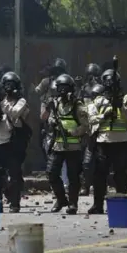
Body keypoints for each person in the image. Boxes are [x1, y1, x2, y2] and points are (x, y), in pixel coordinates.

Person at [87, 69, 127, 214]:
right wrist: (105, 115)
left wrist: (121, 105)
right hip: (103, 141)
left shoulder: (126, 98)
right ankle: (98, 204)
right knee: (99, 174)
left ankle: (121, 204)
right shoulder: (98, 99)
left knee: (120, 174)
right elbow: (90, 118)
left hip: (121, 141)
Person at [42, 74, 88, 214]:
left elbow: (85, 125)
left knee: (73, 176)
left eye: (65, 88)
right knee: (51, 173)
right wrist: (52, 122)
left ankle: (72, 204)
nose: (62, 91)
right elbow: (48, 119)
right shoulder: (55, 104)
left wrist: (72, 132)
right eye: (60, 88)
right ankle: (61, 199)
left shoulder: (77, 105)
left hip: (73, 146)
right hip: (57, 145)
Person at [0, 71, 31, 213]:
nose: (8, 88)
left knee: (14, 175)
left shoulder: (22, 101)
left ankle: (14, 204)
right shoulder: (0, 103)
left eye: (11, 85)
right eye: (6, 85)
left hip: (14, 144)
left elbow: (14, 113)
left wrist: (1, 104)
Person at [80, 83, 105, 196]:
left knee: (102, 165)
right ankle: (85, 187)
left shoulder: (107, 107)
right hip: (91, 139)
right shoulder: (89, 107)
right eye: (94, 96)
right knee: (87, 164)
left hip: (103, 140)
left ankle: (100, 187)